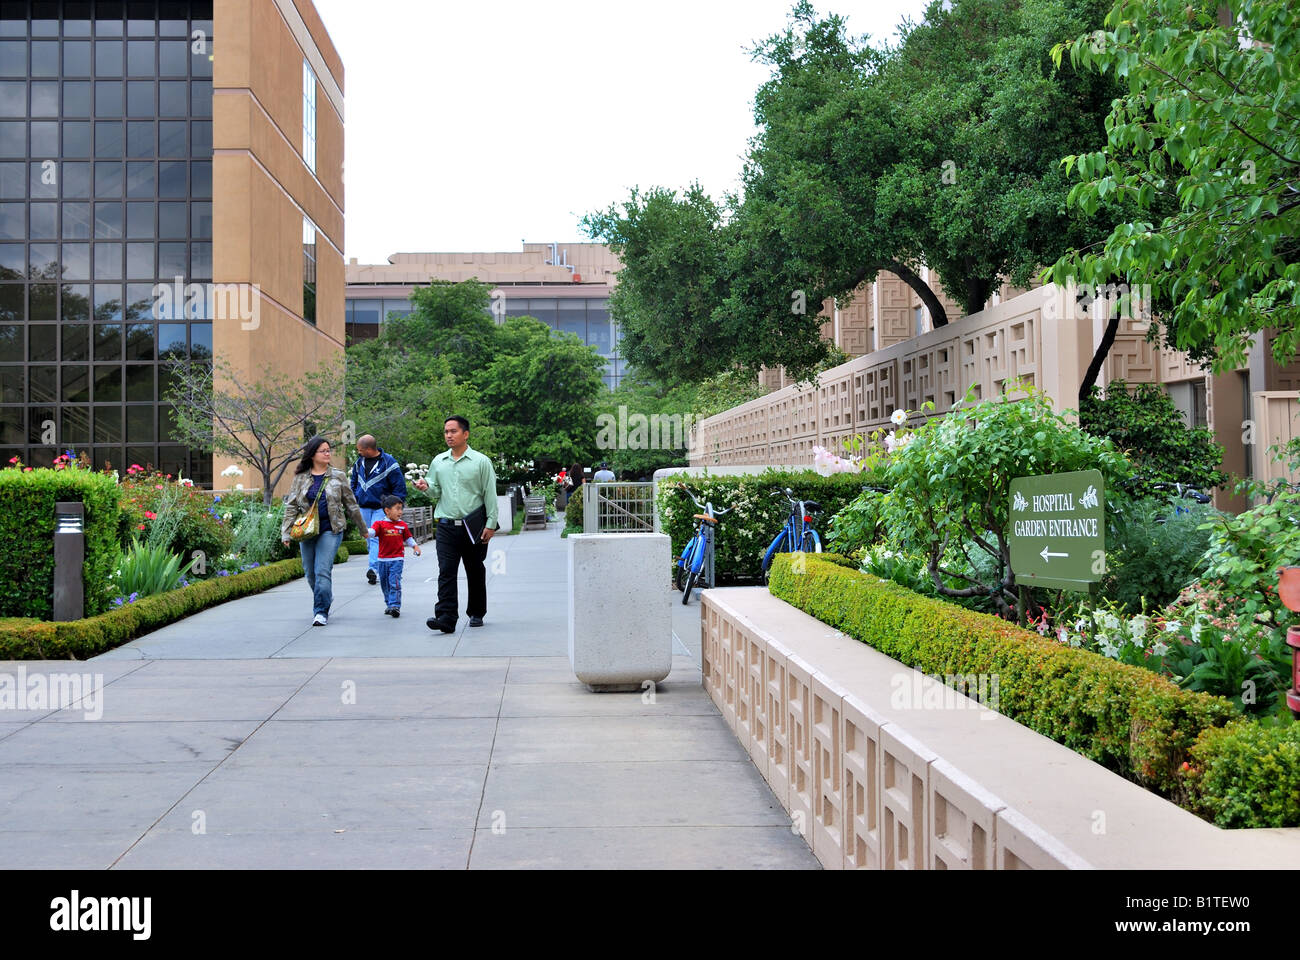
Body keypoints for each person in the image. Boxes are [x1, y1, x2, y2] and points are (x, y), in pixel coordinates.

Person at [413, 415, 499, 633]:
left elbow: (490, 494)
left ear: (465, 434)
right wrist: (425, 487)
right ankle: (446, 617)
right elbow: (435, 490)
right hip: (446, 526)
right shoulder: (438, 462)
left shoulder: (481, 461)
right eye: (446, 432)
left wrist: (491, 524)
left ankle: (477, 612)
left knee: (474, 570)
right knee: (446, 572)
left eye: (453, 431)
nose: (448, 435)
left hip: (474, 527)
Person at [281, 436, 372, 626]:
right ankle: (325, 597)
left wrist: (363, 530)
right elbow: (292, 506)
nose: (327, 453)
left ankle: (321, 611)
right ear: (313, 454)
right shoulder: (301, 477)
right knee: (310, 573)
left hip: (331, 529)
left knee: (322, 570)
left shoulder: (338, 476)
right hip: (307, 530)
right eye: (323, 450)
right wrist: (286, 532)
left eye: (329, 450)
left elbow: (351, 505)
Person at [349, 434, 407, 587]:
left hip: (382, 509)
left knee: (375, 537)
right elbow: (353, 482)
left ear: (369, 449)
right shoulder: (358, 463)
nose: (358, 452)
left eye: (360, 450)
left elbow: (399, 487)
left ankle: (373, 569)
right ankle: (377, 565)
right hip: (363, 507)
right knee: (369, 538)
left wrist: (395, 507)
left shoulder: (389, 463)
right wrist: (355, 498)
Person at [367, 494, 421, 618]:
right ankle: (389, 604)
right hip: (382, 560)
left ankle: (395, 605)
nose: (400, 512)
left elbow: (408, 538)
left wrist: (415, 546)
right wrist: (366, 532)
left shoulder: (402, 525)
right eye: (397, 508)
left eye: (401, 508)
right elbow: (372, 532)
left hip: (397, 559)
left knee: (394, 582)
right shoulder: (379, 524)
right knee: (384, 584)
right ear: (387, 510)